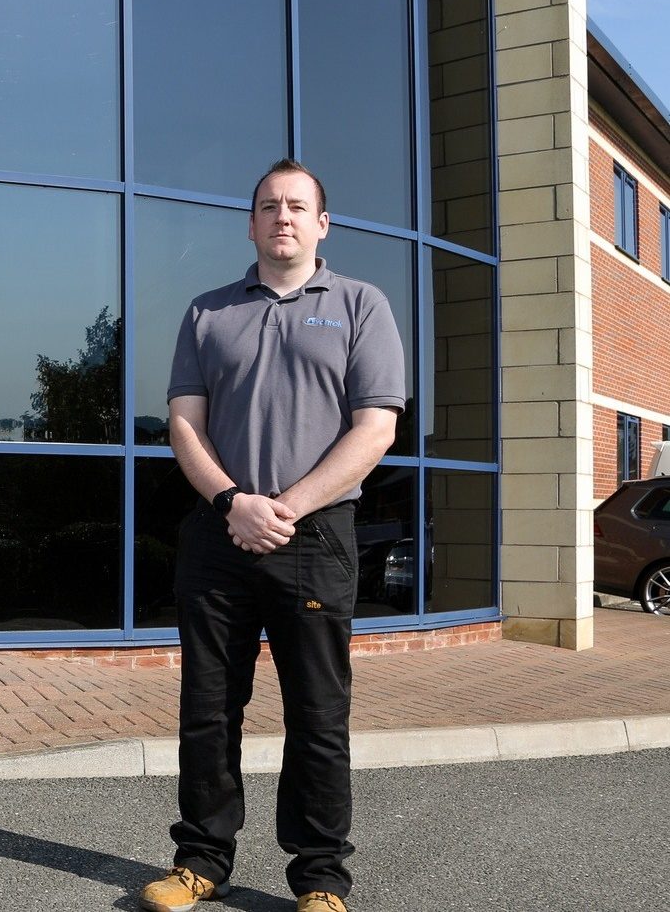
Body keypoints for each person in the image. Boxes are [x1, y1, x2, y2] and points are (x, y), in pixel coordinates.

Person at [142, 160, 404, 912]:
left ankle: (321, 878)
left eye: (297, 207)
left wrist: (283, 506)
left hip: (315, 538)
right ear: (251, 223)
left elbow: (376, 428)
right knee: (208, 708)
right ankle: (199, 862)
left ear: (322, 224)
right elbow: (185, 425)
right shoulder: (208, 312)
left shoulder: (360, 305)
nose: (282, 217)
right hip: (219, 534)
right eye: (268, 206)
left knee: (318, 715)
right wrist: (233, 500)